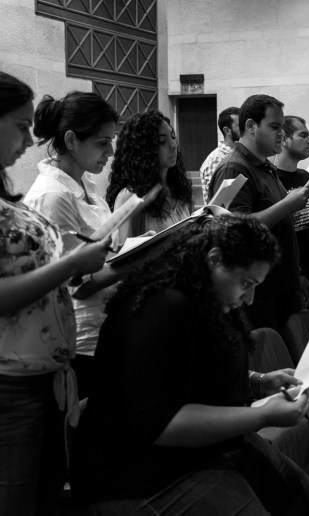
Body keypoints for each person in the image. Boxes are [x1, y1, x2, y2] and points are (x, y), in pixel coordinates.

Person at [70, 214, 309, 514]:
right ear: (215, 260)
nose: (250, 298)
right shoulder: (161, 306)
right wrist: (262, 417)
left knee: (303, 500)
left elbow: (200, 370)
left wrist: (257, 382)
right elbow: (162, 423)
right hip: (139, 474)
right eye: (246, 283)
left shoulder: (209, 296)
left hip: (196, 452)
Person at [0, 72, 111, 516]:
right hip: (11, 383)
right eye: (20, 126)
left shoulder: (8, 194)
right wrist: (70, 263)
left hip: (44, 374)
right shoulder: (46, 193)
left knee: (44, 496)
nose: (31, 140)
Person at [23, 91, 122, 400]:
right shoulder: (54, 196)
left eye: (111, 141)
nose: (111, 152)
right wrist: (135, 262)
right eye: (102, 142)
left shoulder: (85, 185)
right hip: (80, 334)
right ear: (70, 140)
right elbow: (73, 283)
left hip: (103, 323)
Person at [209, 95, 309, 330]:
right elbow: (234, 228)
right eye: (275, 127)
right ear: (251, 126)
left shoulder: (266, 166)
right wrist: (288, 204)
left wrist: (297, 274)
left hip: (282, 287)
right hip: (258, 293)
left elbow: (280, 228)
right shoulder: (234, 167)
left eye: (283, 128)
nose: (282, 134)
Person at [106, 110, 194, 246]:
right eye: (162, 141)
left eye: (172, 137)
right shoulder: (130, 197)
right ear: (143, 150)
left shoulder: (179, 188)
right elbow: (123, 256)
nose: (173, 145)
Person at [274, 115, 309, 309]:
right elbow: (280, 235)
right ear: (285, 139)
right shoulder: (274, 180)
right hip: (295, 278)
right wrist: (299, 275)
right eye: (303, 135)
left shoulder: (305, 176)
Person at [199, 106, 240, 203]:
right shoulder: (217, 159)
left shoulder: (238, 154)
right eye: (239, 125)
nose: (245, 128)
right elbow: (219, 202)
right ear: (227, 130)